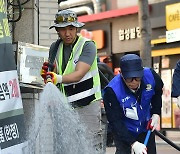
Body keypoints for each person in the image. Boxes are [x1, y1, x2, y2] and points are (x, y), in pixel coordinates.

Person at [40, 10, 102, 153]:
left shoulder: (88, 46)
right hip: (65, 107)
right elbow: (54, 74)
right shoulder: (54, 47)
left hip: (87, 106)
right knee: (66, 148)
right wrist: (47, 75)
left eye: (71, 29)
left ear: (77, 29)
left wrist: (57, 78)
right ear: (57, 30)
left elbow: (78, 74)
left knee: (89, 147)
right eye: (62, 29)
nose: (67, 33)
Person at [103, 54, 164, 154]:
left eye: (137, 78)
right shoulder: (112, 91)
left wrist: (156, 113)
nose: (134, 82)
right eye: (129, 78)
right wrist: (133, 143)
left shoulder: (151, 76)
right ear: (121, 74)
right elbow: (115, 121)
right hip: (124, 129)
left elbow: (157, 92)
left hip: (145, 127)